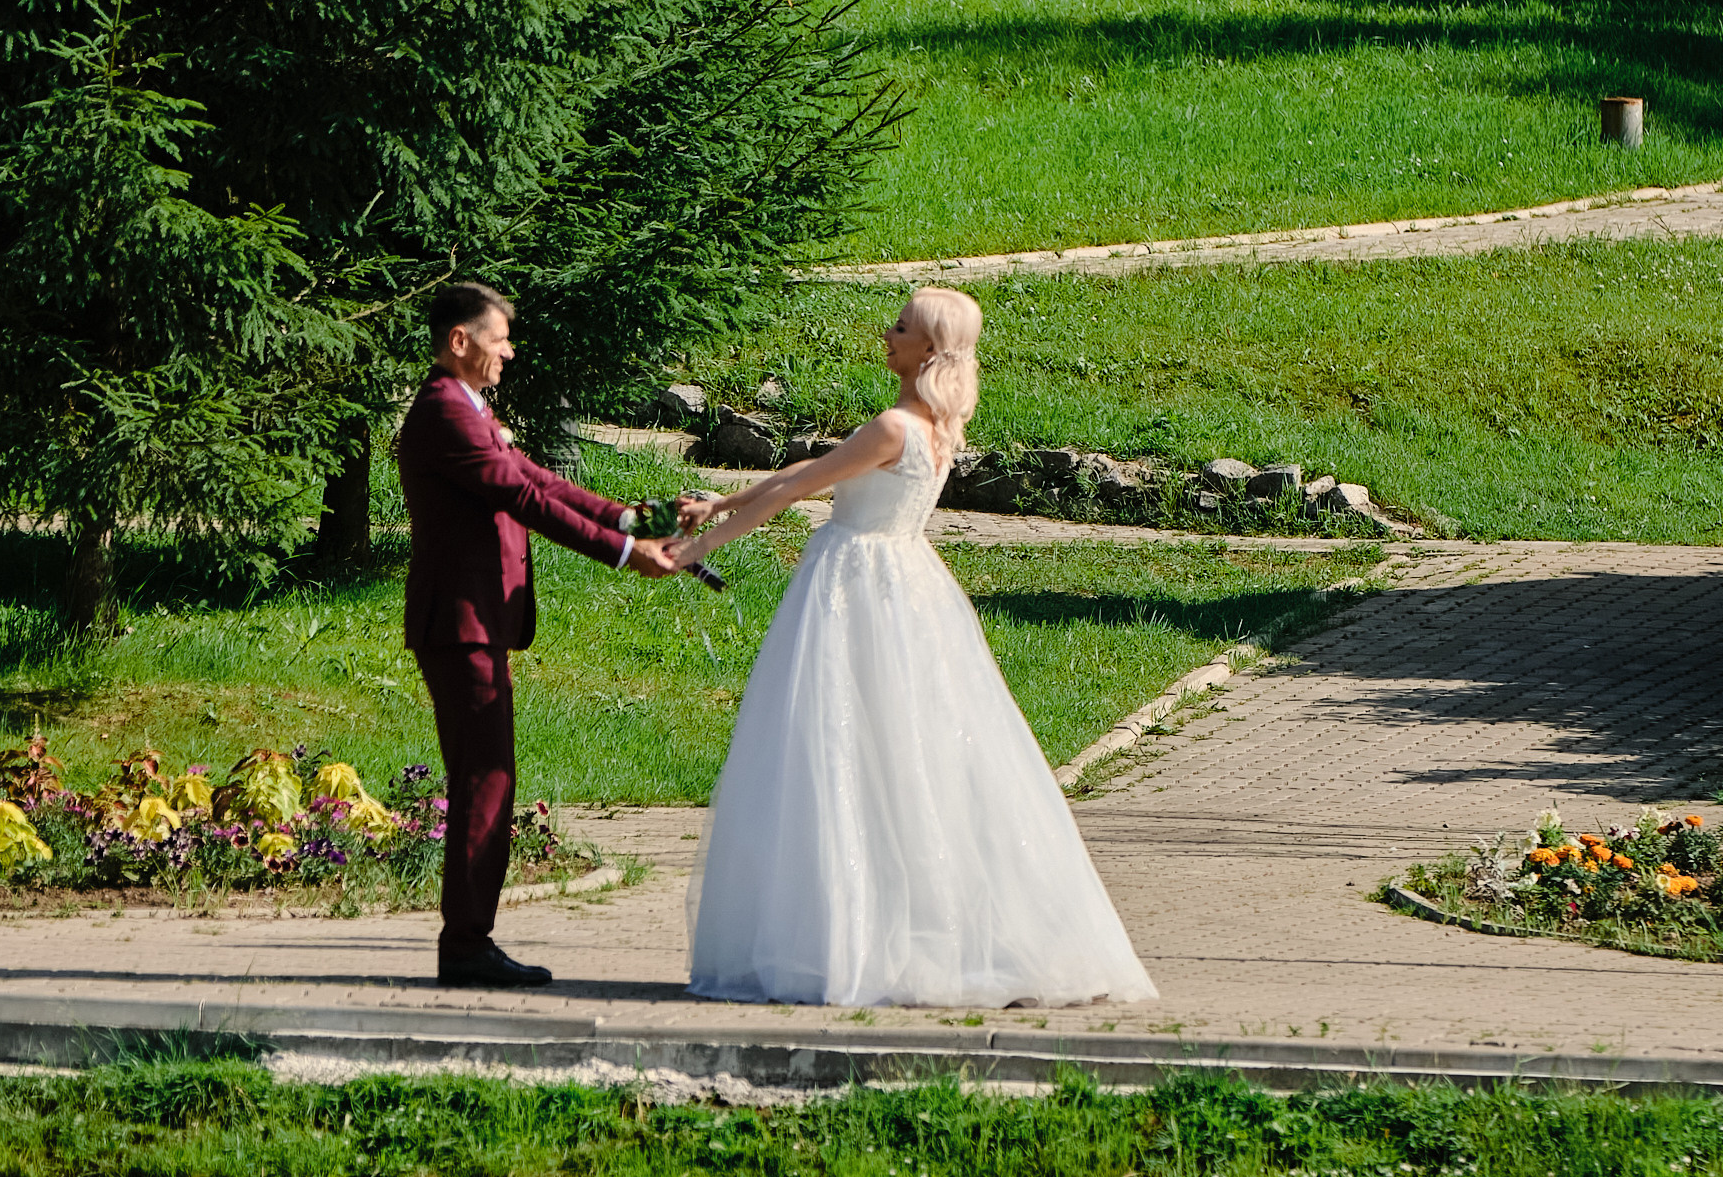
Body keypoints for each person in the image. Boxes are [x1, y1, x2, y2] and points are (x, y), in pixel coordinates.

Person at [669, 287, 1158, 1008]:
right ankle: (902, 933)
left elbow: (798, 486)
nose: (886, 334)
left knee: (836, 745)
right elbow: (798, 478)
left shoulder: (892, 425)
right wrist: (718, 502)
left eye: (900, 327)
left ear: (928, 348)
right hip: (909, 585)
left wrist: (702, 542)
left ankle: (844, 942)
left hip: (853, 583)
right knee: (906, 751)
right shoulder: (937, 426)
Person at [398, 278, 678, 990]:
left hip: (476, 623)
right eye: (499, 340)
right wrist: (623, 554)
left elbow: (536, 479)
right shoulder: (442, 410)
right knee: (484, 778)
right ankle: (465, 946)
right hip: (459, 623)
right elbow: (517, 494)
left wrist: (632, 519)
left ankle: (469, 940)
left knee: (489, 775)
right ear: (459, 342)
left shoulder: (465, 405)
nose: (509, 352)